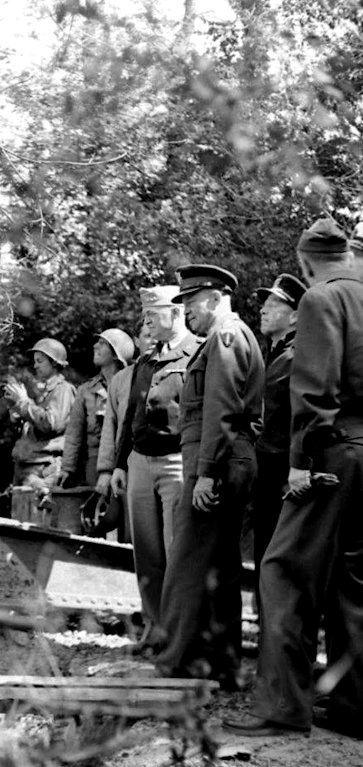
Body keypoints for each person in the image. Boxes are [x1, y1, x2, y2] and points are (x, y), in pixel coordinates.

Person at [225, 219, 363, 736]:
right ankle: (354, 708)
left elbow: (315, 391)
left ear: (306, 260)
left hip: (332, 453)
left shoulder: (322, 299)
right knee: (353, 584)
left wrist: (301, 463)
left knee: (282, 572)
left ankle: (283, 708)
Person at [155, 264, 264, 690]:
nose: (186, 314)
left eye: (191, 304)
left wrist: (205, 475)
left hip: (215, 465)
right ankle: (222, 665)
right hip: (223, 461)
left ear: (215, 299)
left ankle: (175, 660)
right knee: (219, 568)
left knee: (188, 562)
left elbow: (220, 411)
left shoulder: (224, 338)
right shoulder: (227, 338)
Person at [111, 285, 201, 653]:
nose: (146, 321)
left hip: (176, 462)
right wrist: (120, 463)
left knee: (176, 552)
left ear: (176, 313)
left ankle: (182, 636)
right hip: (139, 462)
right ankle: (155, 630)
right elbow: (131, 413)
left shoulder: (197, 352)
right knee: (146, 553)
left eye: (153, 314)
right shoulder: (147, 360)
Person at [251, 274, 306, 587]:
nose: (263, 310)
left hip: (287, 470)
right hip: (266, 469)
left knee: (281, 555)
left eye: (274, 304)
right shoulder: (269, 353)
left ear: (295, 315)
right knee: (264, 550)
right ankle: (266, 626)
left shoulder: (300, 356)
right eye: (264, 304)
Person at [95, 322, 154, 542]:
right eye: (147, 336)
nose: (153, 340)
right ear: (137, 341)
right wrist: (106, 470)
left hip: (162, 462)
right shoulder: (121, 380)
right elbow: (110, 427)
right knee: (131, 532)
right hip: (127, 465)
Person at [59, 329, 134, 488]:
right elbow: (74, 434)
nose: (95, 347)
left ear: (116, 353)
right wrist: (67, 468)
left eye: (102, 344)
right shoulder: (86, 390)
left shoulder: (133, 384)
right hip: (95, 461)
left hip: (130, 459)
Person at [5, 338, 76, 492]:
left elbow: (51, 424)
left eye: (40, 361)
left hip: (44, 469)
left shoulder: (63, 389)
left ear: (54, 363)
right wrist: (17, 413)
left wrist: (23, 402)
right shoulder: (42, 393)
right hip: (28, 465)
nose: (35, 365)